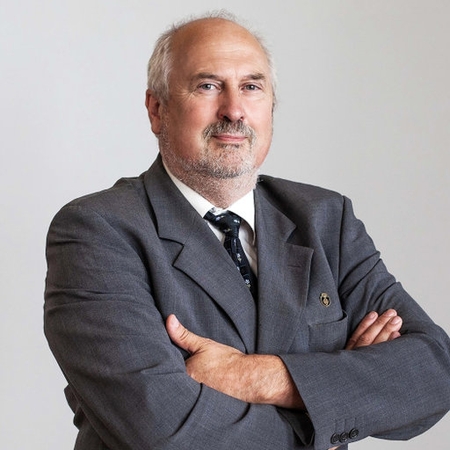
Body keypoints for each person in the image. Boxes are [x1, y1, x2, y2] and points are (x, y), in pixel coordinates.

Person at [44, 11, 450, 450]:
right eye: (208, 86)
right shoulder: (97, 231)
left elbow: (434, 373)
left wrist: (257, 376)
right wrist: (334, 401)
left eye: (252, 87)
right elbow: (164, 430)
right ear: (157, 110)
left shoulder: (325, 219)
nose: (234, 110)